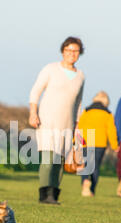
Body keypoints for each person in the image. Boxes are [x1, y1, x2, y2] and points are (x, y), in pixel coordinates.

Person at [29, 37, 85, 204]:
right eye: (68, 50)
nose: (72, 54)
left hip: (67, 124)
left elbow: (78, 103)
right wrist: (33, 113)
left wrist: (77, 126)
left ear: (79, 53)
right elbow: (35, 91)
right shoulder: (51, 69)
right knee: (48, 159)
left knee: (60, 161)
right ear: (63, 52)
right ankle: (43, 194)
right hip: (47, 120)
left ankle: (53, 195)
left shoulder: (81, 76)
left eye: (75, 51)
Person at [77, 91, 119, 197]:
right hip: (100, 142)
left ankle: (85, 182)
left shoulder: (86, 111)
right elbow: (111, 131)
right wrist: (115, 145)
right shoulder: (108, 114)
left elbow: (80, 127)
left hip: (86, 140)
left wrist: (76, 142)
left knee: (86, 164)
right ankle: (92, 189)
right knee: (95, 166)